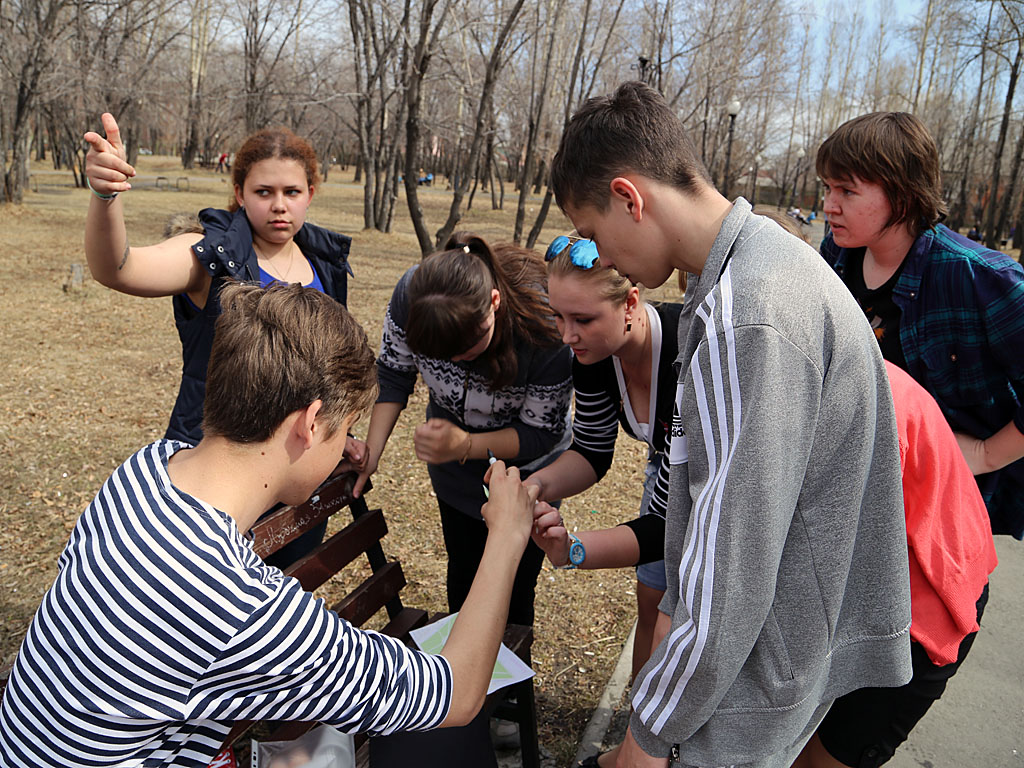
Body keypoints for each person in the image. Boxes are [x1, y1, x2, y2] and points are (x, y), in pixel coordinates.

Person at [0, 282, 540, 768]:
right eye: (344, 427)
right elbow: (457, 693)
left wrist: (319, 455)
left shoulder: (145, 470)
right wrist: (507, 536)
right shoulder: (239, 605)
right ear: (308, 422)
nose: (347, 445)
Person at [548, 81, 912, 768]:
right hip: (778, 654)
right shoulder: (768, 267)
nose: (604, 257)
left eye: (595, 235)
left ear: (630, 197)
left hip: (746, 679)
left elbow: (732, 563)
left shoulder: (745, 313)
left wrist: (650, 734)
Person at [83, 113, 357, 562]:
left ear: (311, 193)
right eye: (263, 192)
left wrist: (338, 436)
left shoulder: (325, 265)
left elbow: (328, 374)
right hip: (220, 481)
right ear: (239, 194)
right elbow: (118, 269)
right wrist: (105, 196)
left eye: (292, 192)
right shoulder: (213, 255)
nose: (279, 206)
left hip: (298, 479)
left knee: (281, 600)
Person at [817, 111, 1024, 539]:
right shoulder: (834, 258)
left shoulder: (980, 279)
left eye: (847, 191)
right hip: (853, 500)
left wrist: (986, 454)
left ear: (904, 197)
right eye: (827, 188)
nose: (829, 205)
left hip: (946, 516)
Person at [355, 232, 572, 627]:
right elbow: (394, 372)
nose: (457, 361)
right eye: (442, 355)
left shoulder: (546, 322)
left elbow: (541, 432)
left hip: (526, 480)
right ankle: (466, 682)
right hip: (456, 481)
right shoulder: (414, 295)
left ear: (494, 302)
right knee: (464, 582)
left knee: (514, 594)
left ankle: (509, 687)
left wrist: (465, 443)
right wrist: (372, 453)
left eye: (470, 346)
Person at [792, 363, 998, 768]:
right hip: (879, 594)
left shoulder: (860, 410)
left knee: (827, 756)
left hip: (917, 615)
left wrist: (990, 454)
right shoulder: (837, 367)